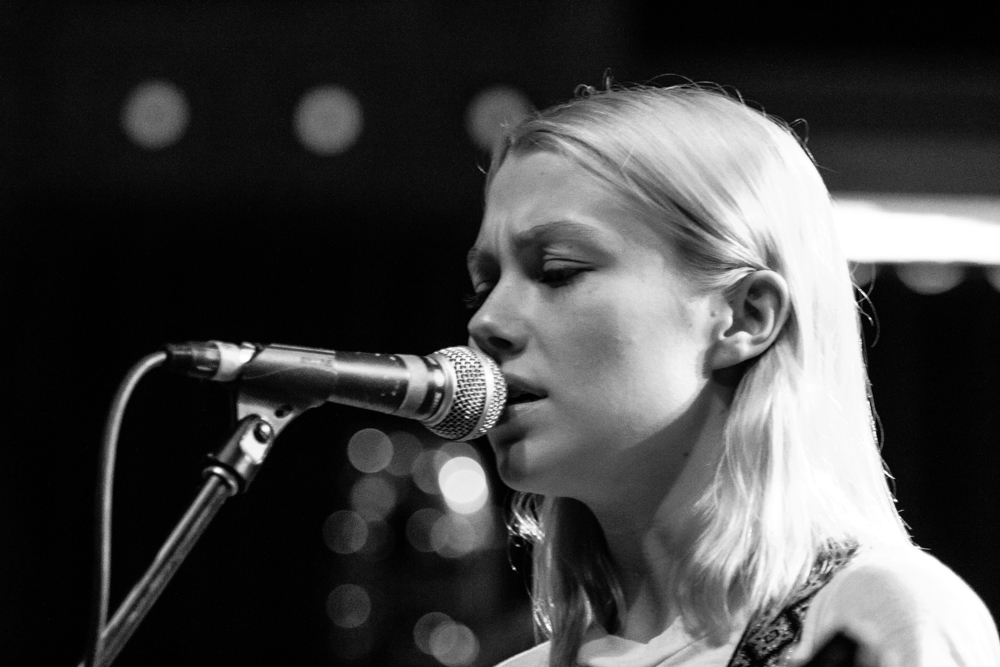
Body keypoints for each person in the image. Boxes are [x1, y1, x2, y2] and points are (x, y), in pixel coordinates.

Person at [464, 83, 1000, 667]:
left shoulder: (874, 617)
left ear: (745, 317)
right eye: (484, 283)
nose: (487, 321)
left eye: (558, 271)